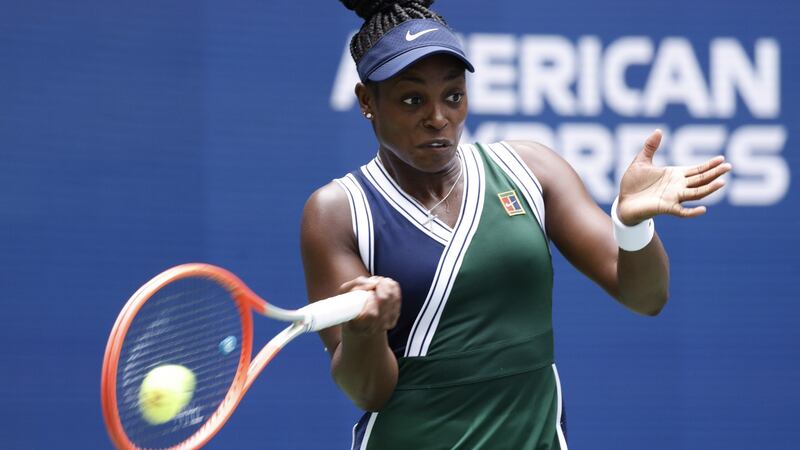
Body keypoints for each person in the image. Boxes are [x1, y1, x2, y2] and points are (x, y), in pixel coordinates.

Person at [300, 1, 731, 448]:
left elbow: (647, 297)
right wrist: (365, 331)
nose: (438, 117)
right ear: (367, 101)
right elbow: (369, 391)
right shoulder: (337, 211)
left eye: (453, 95)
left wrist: (631, 224)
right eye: (412, 100)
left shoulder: (530, 168)